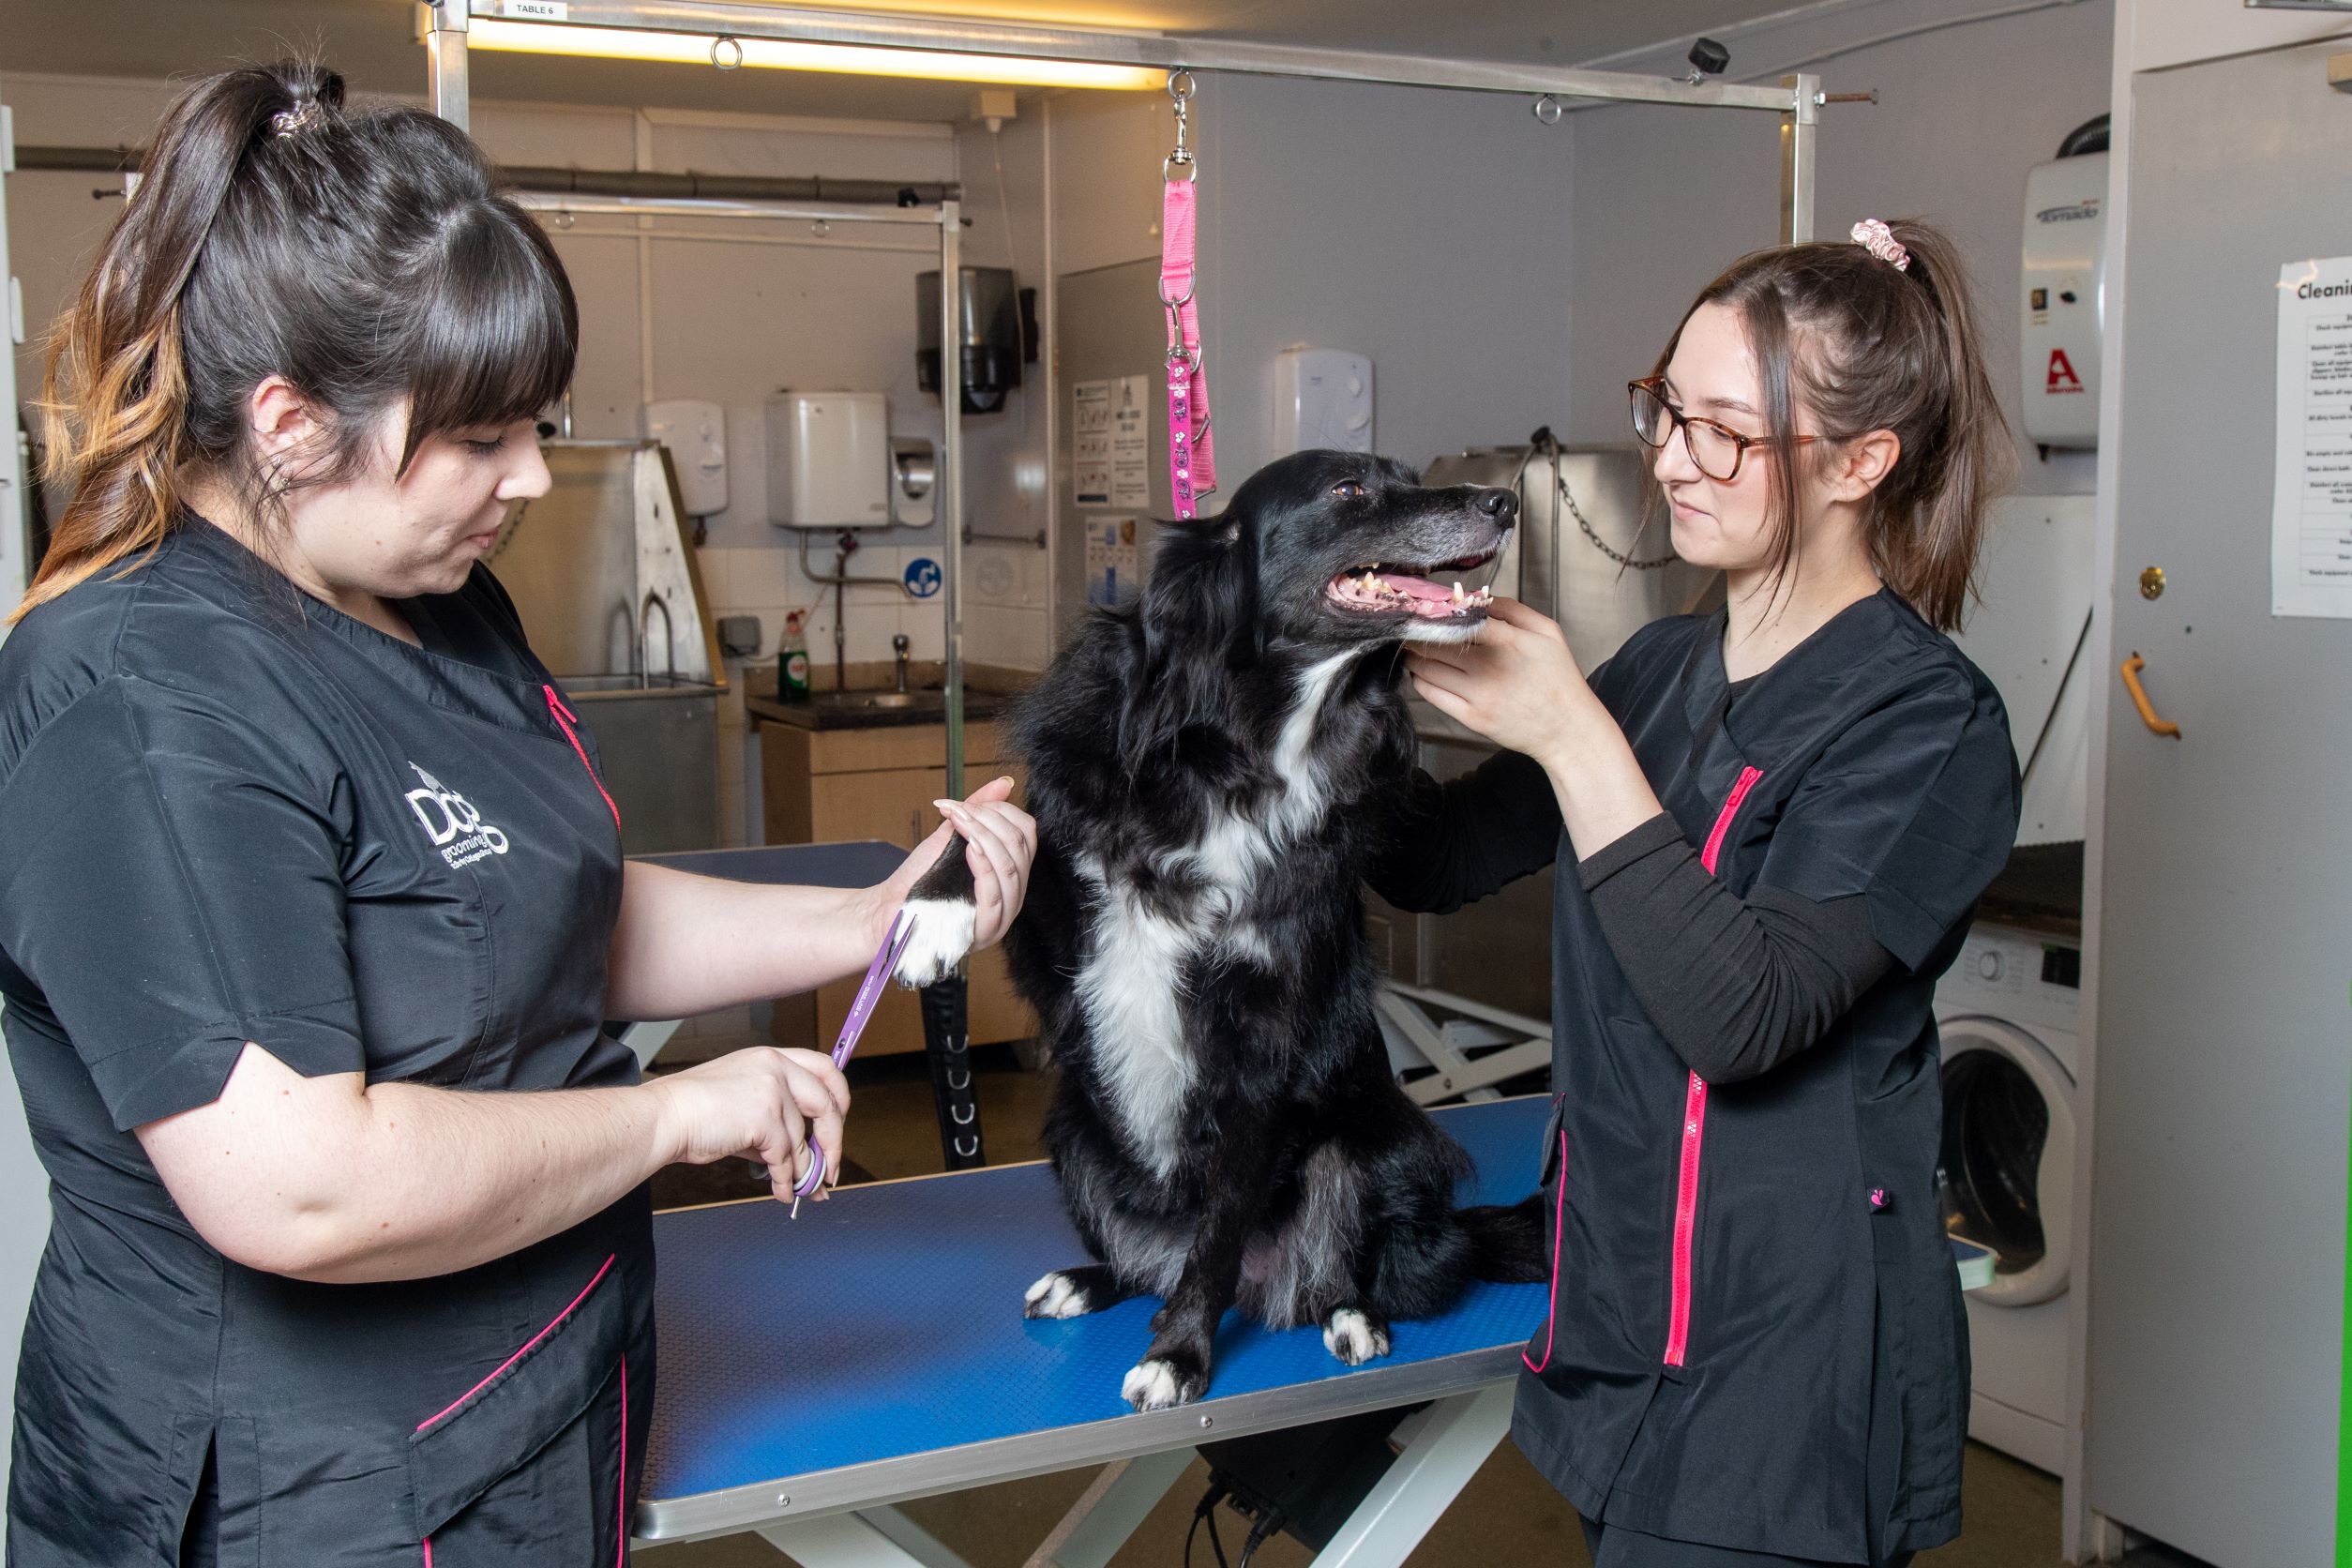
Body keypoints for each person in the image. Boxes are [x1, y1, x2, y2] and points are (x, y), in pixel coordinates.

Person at [0, 63, 1035, 1567]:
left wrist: (872, 918)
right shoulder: (140, 697)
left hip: (539, 1403)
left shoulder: (440, 605)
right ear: (291, 424)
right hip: (311, 1491)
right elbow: (303, 1186)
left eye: (534, 428)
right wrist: (681, 1111)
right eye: (481, 439)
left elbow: (555, 905)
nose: (533, 479)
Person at [1380, 218, 2020, 1568]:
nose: (1671, 456)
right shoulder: (1664, 671)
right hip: (1618, 1313)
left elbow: (1744, 1015)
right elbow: (1432, 859)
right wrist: (1326, 681)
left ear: (1861, 462)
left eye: (1724, 428)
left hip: (1786, 1368)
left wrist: (1569, 737)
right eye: (1667, 407)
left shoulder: (1930, 727)